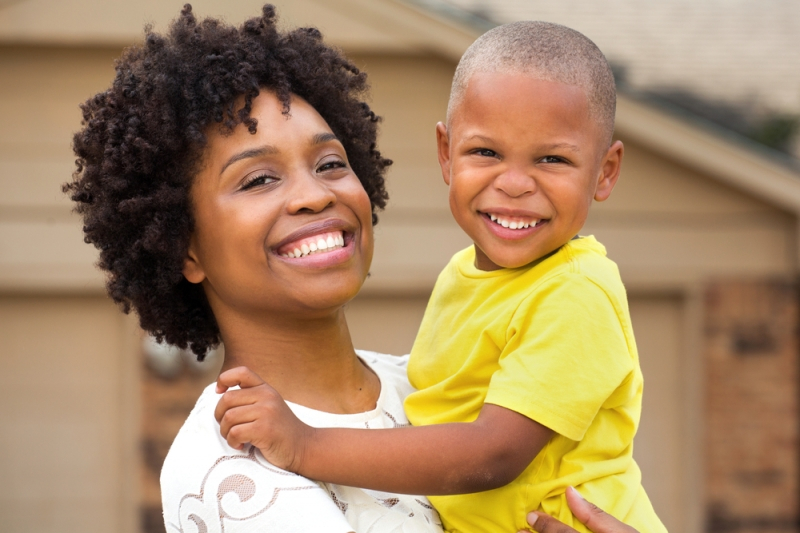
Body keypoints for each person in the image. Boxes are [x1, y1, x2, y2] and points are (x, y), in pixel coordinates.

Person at [214, 21, 667, 533]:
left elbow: (491, 453)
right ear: (445, 153)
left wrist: (305, 444)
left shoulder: (574, 293)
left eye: (553, 158)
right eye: (486, 152)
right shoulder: (463, 275)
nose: (515, 183)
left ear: (605, 172)